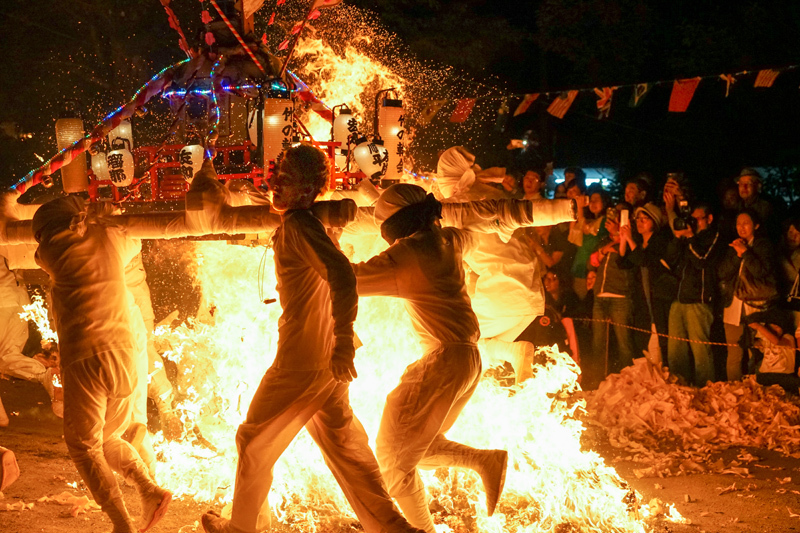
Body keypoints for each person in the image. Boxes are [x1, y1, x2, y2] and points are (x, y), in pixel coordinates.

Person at [201, 145, 424, 533]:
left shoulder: (301, 225)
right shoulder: (299, 223)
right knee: (349, 456)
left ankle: (240, 529)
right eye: (276, 173)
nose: (274, 181)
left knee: (253, 441)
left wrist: (340, 341)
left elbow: (342, 275)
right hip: (323, 364)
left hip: (303, 362)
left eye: (284, 178)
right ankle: (397, 530)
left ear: (305, 191)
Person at [352, 183, 508, 533]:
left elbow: (348, 279)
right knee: (418, 450)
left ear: (394, 228)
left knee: (392, 460)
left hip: (443, 363)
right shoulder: (449, 240)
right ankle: (484, 461)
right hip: (468, 361)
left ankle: (421, 531)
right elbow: (473, 235)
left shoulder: (406, 255)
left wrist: (319, 247)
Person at [32, 196, 171, 533]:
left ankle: (122, 524)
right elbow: (133, 238)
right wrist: (107, 216)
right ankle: (148, 489)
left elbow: (39, 253)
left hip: (87, 355)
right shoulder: (110, 236)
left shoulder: (52, 248)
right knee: (108, 437)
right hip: (125, 355)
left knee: (83, 446)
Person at [664, 203, 724, 386]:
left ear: (709, 218)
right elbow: (669, 260)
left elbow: (702, 261)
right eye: (693, 219)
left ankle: (707, 391)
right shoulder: (688, 238)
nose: (695, 223)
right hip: (678, 299)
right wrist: (678, 238)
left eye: (699, 218)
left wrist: (690, 238)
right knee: (675, 351)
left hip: (699, 300)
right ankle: (679, 390)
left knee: (700, 351)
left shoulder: (714, 237)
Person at [719, 210, 779, 380]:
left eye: (746, 223)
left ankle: (755, 392)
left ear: (756, 225)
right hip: (733, 306)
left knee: (755, 352)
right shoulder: (733, 245)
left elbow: (761, 272)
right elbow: (722, 273)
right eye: (738, 223)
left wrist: (746, 253)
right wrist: (737, 255)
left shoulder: (763, 245)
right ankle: (732, 392)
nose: (741, 227)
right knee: (734, 353)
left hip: (756, 305)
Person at [618, 202, 677, 366]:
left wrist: (630, 239)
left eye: (645, 219)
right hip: (642, 300)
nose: (640, 222)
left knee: (661, 339)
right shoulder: (637, 242)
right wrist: (623, 239)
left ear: (655, 222)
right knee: (643, 340)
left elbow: (644, 260)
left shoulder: (659, 243)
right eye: (638, 219)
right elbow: (623, 262)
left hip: (658, 299)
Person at [587, 203, 635, 382]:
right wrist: (603, 250)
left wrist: (618, 236)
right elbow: (591, 262)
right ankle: (597, 381)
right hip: (600, 296)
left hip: (620, 297)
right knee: (598, 342)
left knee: (624, 343)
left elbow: (625, 257)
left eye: (615, 219)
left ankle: (628, 382)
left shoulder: (630, 240)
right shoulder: (604, 241)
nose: (610, 222)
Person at [744, 309, 800, 393]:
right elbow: (755, 344)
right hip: (766, 374)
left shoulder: (788, 338)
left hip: (784, 375)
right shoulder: (766, 340)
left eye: (777, 327)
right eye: (771, 327)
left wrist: (759, 327)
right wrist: (750, 335)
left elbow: (776, 342)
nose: (775, 330)